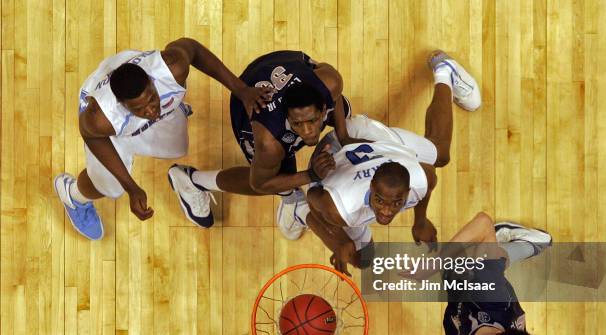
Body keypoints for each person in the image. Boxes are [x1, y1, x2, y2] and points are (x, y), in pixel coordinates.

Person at [54, 38, 271, 240]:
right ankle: (73, 195)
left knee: (177, 148)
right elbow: (92, 137)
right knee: (111, 188)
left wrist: (241, 90)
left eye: (152, 99)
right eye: (140, 108)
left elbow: (193, 49)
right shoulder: (100, 119)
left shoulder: (171, 67)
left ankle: (167, 109)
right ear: (122, 104)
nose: (150, 110)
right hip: (108, 132)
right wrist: (131, 187)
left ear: (150, 81)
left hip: (130, 86)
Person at [304, 50, 481, 272]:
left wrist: (420, 221)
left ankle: (445, 71)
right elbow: (312, 200)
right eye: (380, 201)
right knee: (357, 257)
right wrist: (339, 241)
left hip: (381, 148)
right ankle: (445, 70)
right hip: (342, 147)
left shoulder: (421, 178)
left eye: (396, 203)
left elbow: (428, 180)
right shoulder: (340, 206)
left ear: (408, 192)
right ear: (371, 188)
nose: (387, 212)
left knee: (441, 156)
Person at [167, 50, 353, 239]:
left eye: (312, 121)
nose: (307, 131)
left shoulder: (331, 82)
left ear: (322, 108)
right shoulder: (269, 142)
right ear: (287, 117)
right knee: (279, 179)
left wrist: (344, 136)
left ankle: (321, 127)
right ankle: (192, 181)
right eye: (297, 124)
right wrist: (310, 175)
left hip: (279, 64)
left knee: (344, 114)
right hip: (249, 102)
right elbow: (259, 184)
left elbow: (334, 97)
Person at [411, 212, 578, 335]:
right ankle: (527, 242)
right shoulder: (490, 297)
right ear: (502, 332)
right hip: (482, 288)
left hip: (464, 305)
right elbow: (483, 222)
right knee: (471, 262)